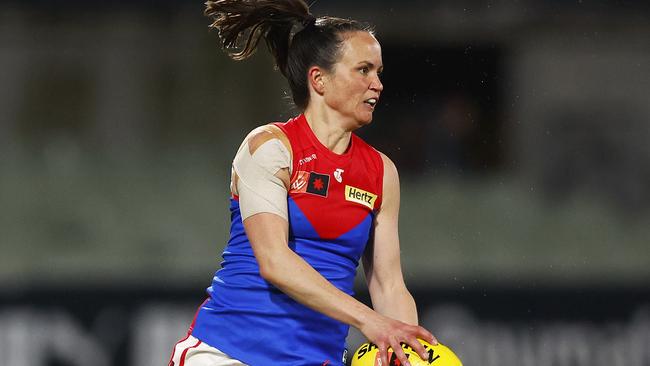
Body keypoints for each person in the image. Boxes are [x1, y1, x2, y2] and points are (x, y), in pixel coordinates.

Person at [169, 1, 436, 365]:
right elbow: (274, 262)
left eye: (378, 71)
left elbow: (388, 285)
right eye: (363, 70)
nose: (378, 84)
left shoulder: (381, 171)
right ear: (319, 80)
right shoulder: (270, 147)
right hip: (229, 353)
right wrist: (371, 321)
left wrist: (407, 351)